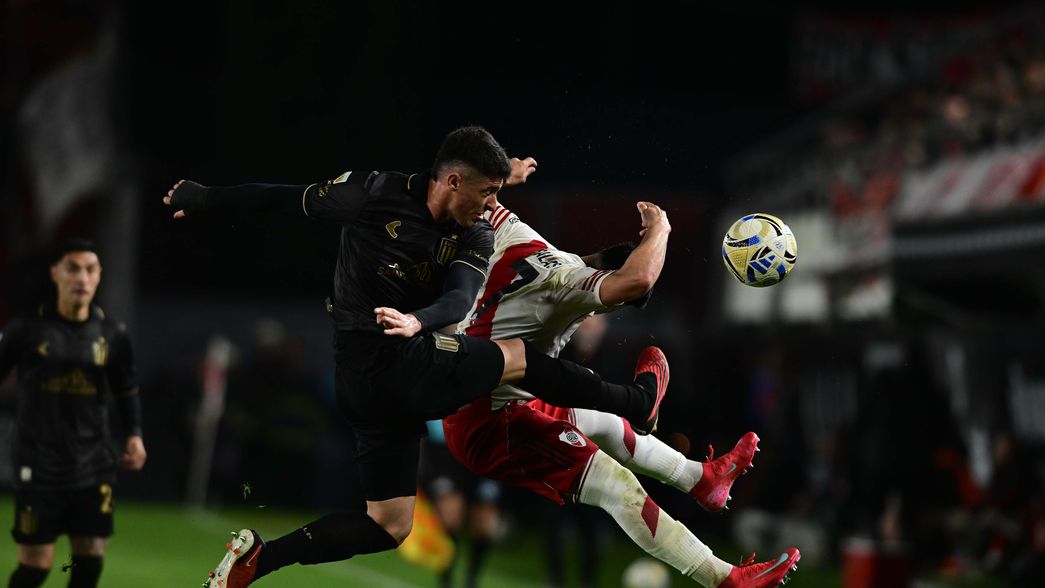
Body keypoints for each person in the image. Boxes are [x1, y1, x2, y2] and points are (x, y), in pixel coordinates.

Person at [164, 126, 668, 587]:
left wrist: (417, 321)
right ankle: (635, 400)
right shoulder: (372, 194)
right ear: (451, 180)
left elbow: (458, 296)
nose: (493, 204)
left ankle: (262, 558)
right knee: (516, 355)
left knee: (389, 524)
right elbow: (286, 198)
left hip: (392, 373)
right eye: (487, 192)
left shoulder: (474, 232)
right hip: (379, 369)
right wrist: (206, 197)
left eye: (497, 192)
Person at [441, 196, 800, 587]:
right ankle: (724, 578)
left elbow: (482, 199)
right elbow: (638, 279)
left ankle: (700, 478)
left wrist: (501, 174)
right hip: (492, 421)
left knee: (608, 425)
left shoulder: (527, 239)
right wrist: (660, 228)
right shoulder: (572, 287)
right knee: (618, 487)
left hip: (500, 394)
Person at [0, 239, 147, 588]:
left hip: (94, 463)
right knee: (35, 567)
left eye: (90, 269)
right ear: (56, 274)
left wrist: (135, 434)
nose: (82, 277)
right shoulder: (26, 329)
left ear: (99, 277)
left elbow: (126, 390)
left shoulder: (113, 334)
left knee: (89, 562)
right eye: (73, 268)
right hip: (37, 464)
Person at [418, 419, 501, 588]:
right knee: (450, 518)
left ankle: (472, 580)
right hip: (445, 447)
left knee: (485, 527)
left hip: (484, 451)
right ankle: (446, 580)